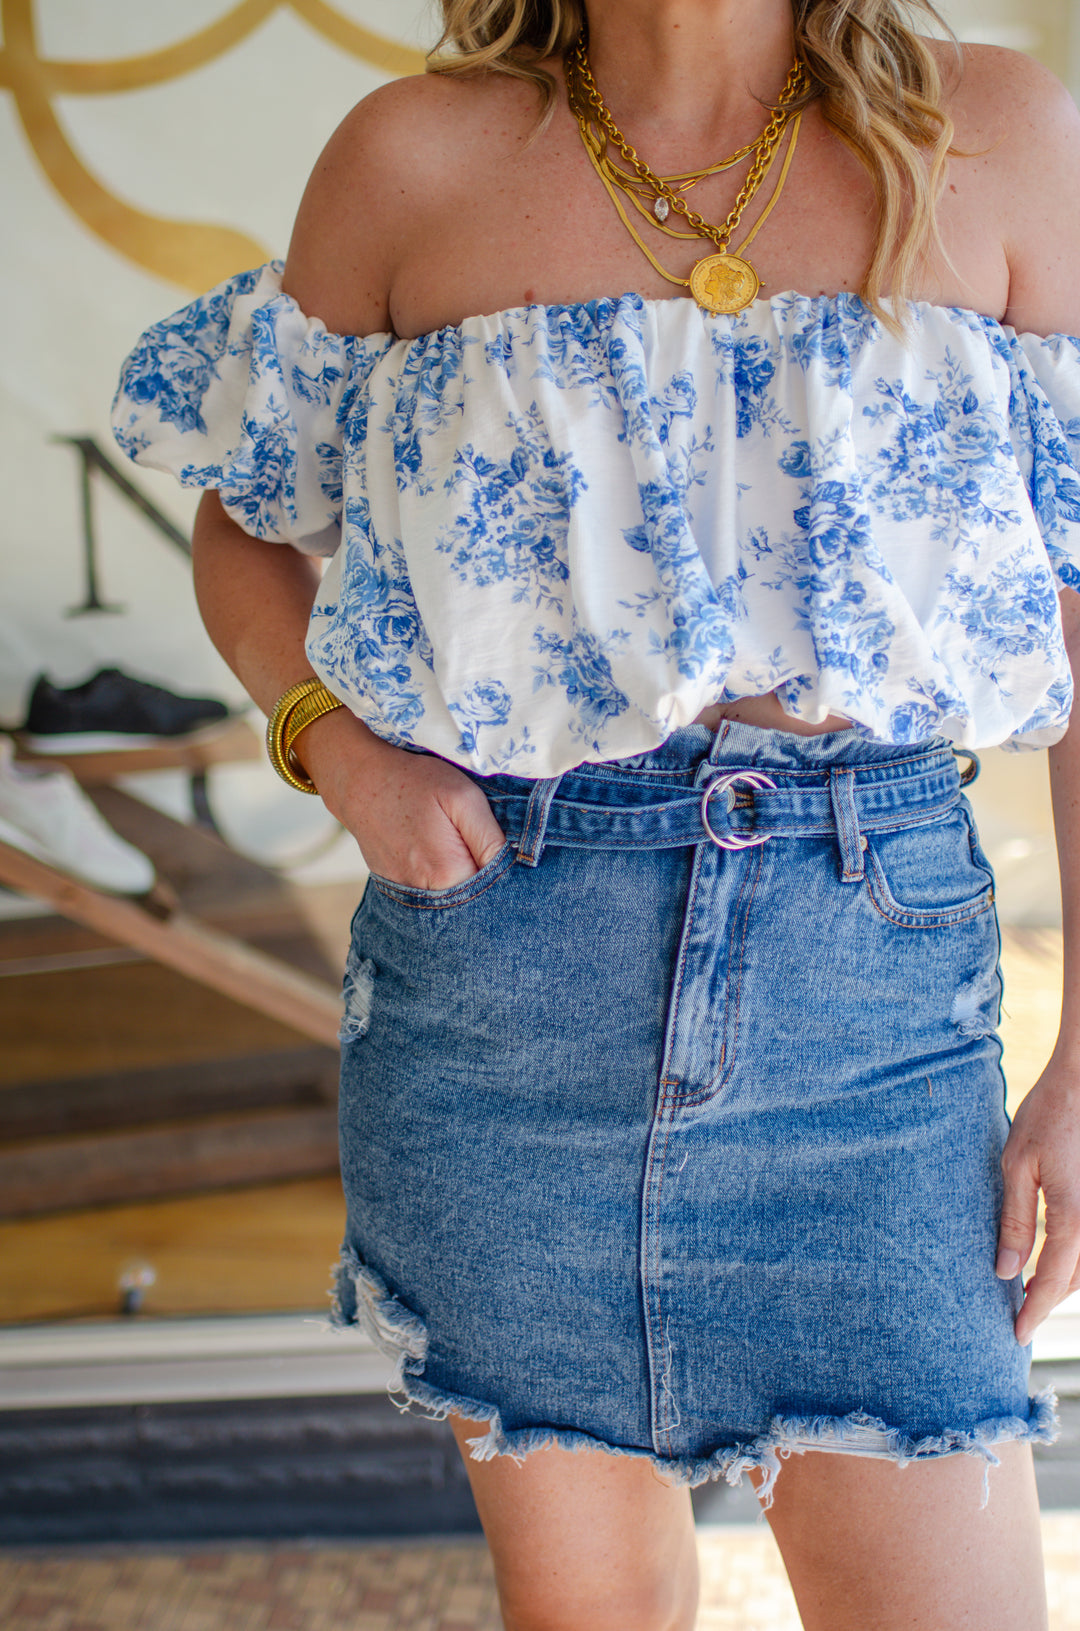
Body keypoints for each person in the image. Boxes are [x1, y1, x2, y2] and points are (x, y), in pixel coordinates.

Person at [112, 2, 1080, 1625]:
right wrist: (339, 754)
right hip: (505, 981)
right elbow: (249, 525)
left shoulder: (1000, 132)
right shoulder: (410, 162)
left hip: (874, 1008)